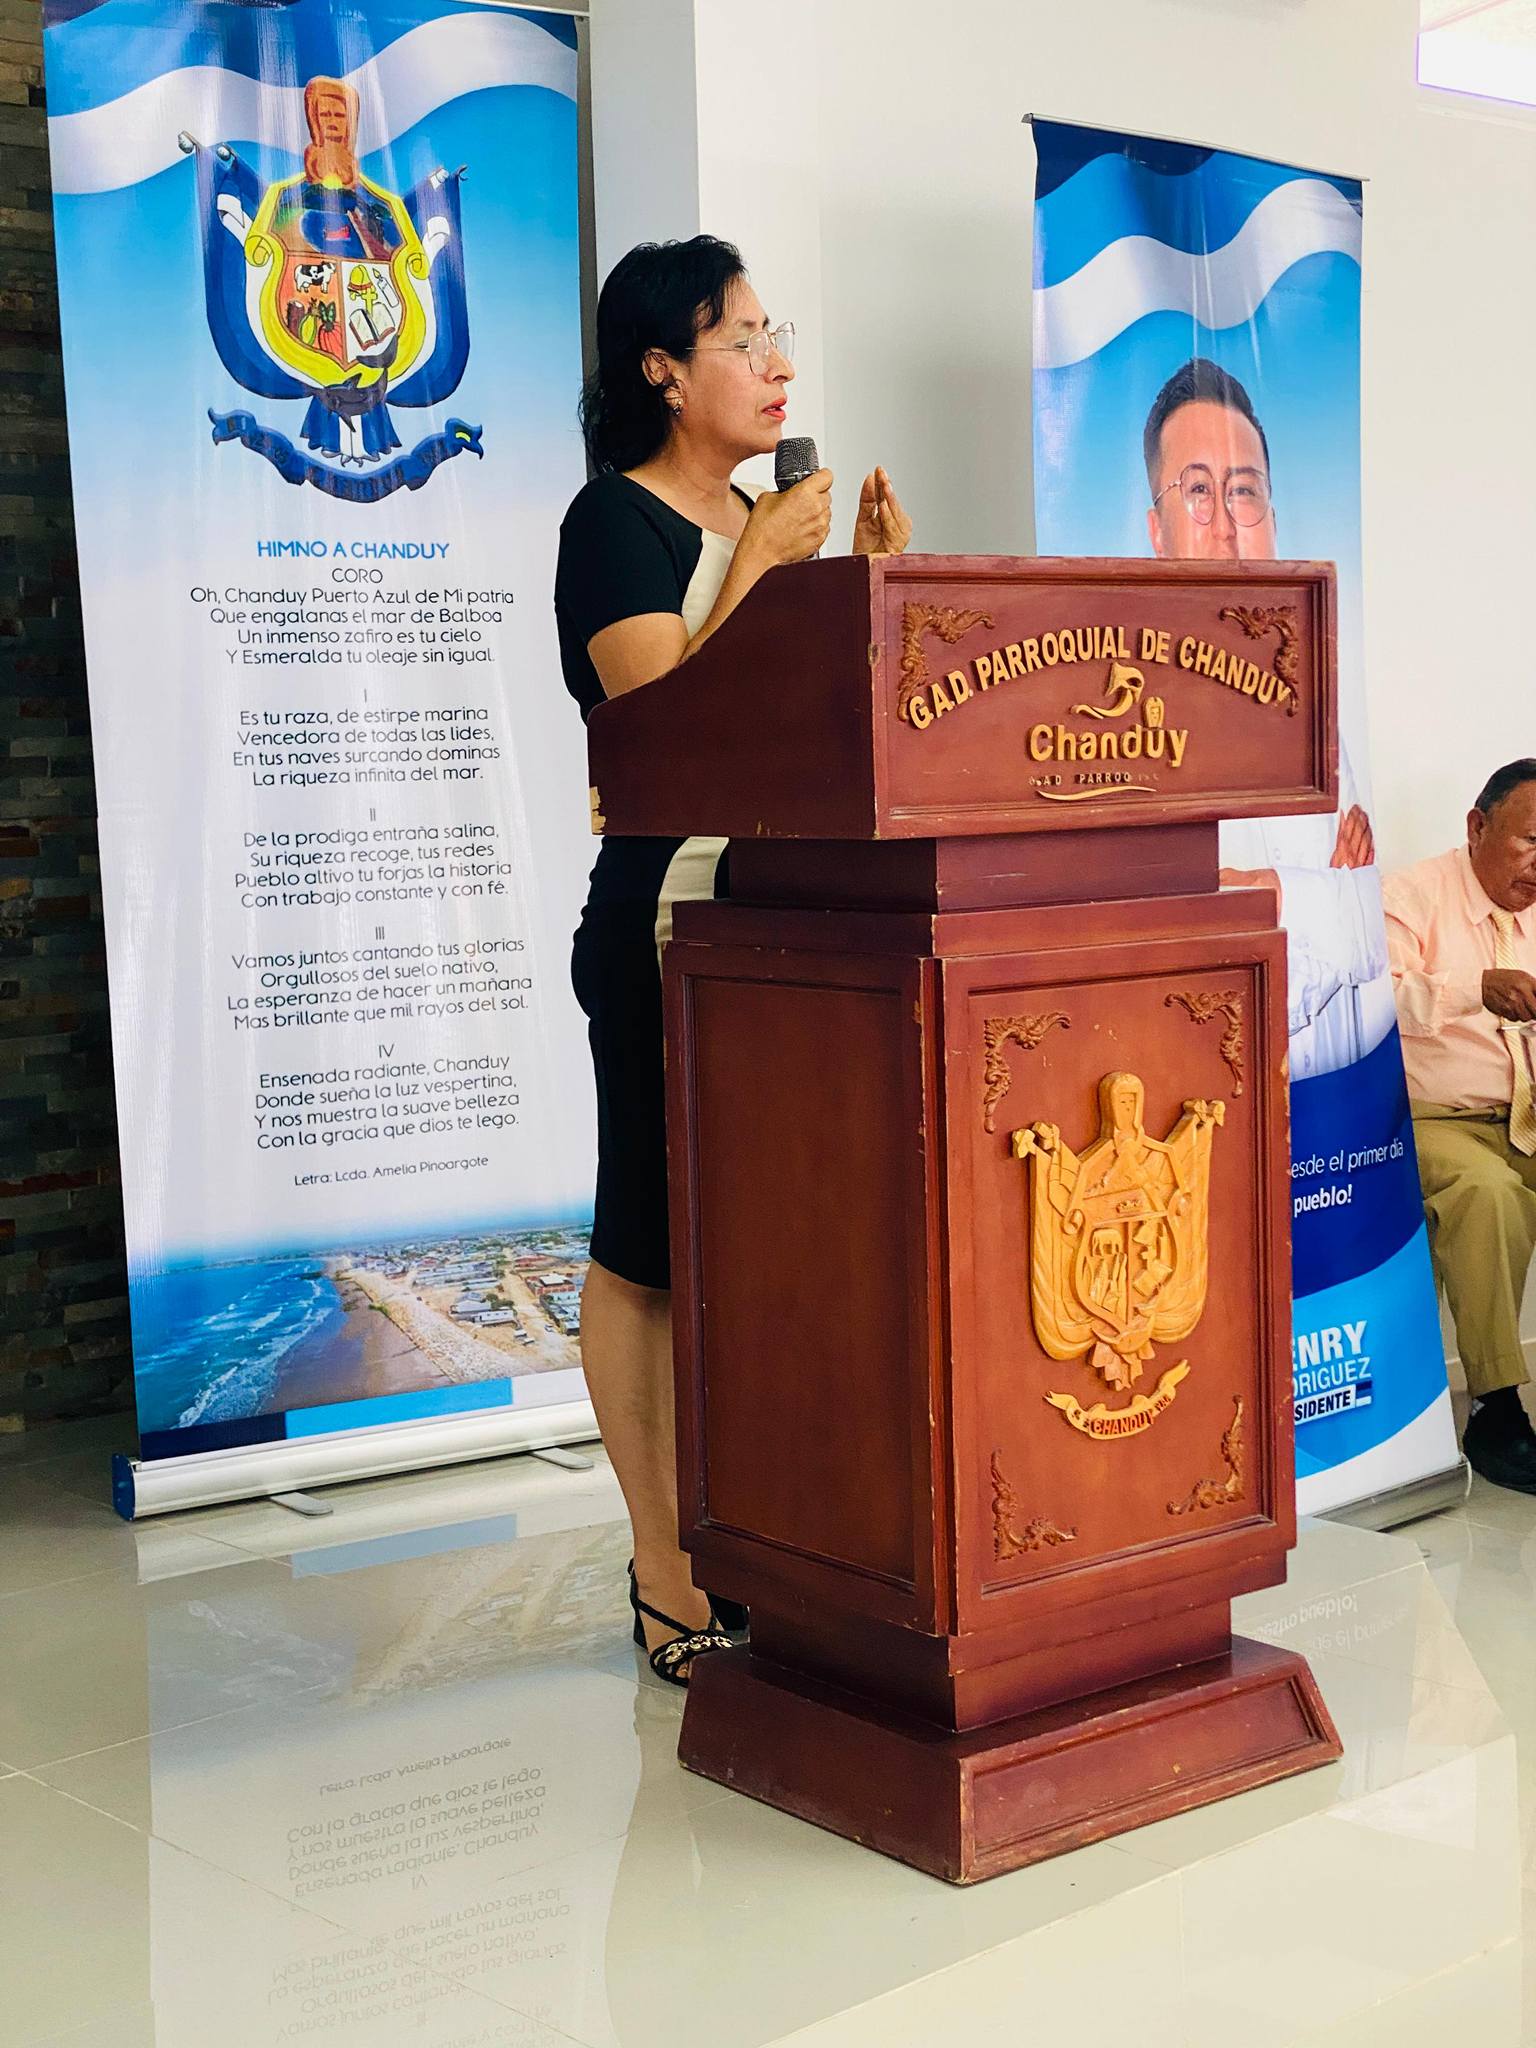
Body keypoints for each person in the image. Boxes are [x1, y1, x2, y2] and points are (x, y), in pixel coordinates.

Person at [555, 236, 912, 1684]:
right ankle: (663, 1566)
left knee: (764, 1251)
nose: (777, 365)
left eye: (777, 335)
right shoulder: (613, 523)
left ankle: (758, 1538)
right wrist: (764, 565)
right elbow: (664, 733)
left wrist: (874, 587)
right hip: (658, 921)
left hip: (787, 927)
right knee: (646, 1250)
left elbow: (828, 732)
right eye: (742, 340)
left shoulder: (776, 523)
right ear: (662, 370)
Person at [1143, 358, 1389, 1080]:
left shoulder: (1323, 702)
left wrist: (1269, 895)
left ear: (1274, 520)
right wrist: (1311, 898)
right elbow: (1173, 941)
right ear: (1156, 531)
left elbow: (1371, 932)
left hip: (1339, 1104)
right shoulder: (1119, 711)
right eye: (1197, 492)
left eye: (1244, 491)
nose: (1225, 525)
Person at [1383, 761, 1536, 1494]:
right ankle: (1496, 1409)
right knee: (1488, 1193)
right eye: (1532, 842)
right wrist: (1473, 990)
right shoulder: (1409, 896)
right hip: (1434, 1117)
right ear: (1478, 826)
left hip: (1527, 1110)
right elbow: (1368, 1000)